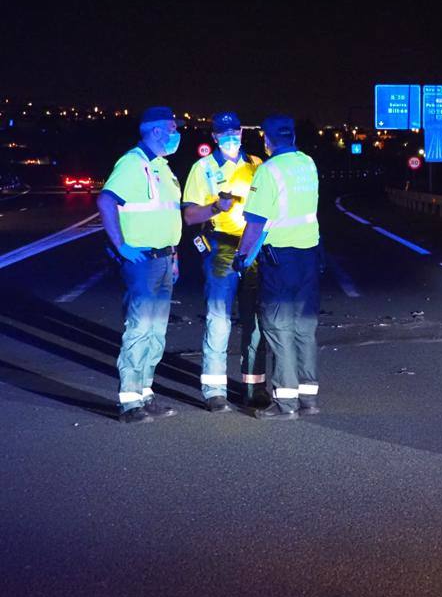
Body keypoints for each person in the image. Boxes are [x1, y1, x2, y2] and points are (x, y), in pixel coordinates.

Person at [96, 106, 183, 423]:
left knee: (156, 332)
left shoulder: (161, 166)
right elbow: (106, 200)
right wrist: (120, 245)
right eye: (173, 127)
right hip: (143, 261)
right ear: (157, 130)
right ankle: (129, 401)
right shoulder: (134, 163)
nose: (177, 133)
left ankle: (146, 393)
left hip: (164, 258)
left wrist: (174, 254)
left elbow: (168, 215)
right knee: (140, 327)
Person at [182, 111, 270, 413]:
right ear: (215, 136)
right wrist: (216, 207)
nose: (232, 137)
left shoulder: (257, 165)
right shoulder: (202, 168)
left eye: (237, 131)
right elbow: (190, 215)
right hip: (221, 246)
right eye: (225, 132)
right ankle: (215, 389)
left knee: (255, 318)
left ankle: (254, 386)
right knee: (219, 317)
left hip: (254, 247)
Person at [235, 115, 320, 420]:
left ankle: (286, 403)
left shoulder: (268, 171)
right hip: (309, 257)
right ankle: (308, 398)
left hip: (280, 259)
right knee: (304, 326)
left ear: (267, 140)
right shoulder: (308, 164)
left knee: (277, 326)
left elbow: (256, 223)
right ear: (293, 136)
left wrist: (241, 257)